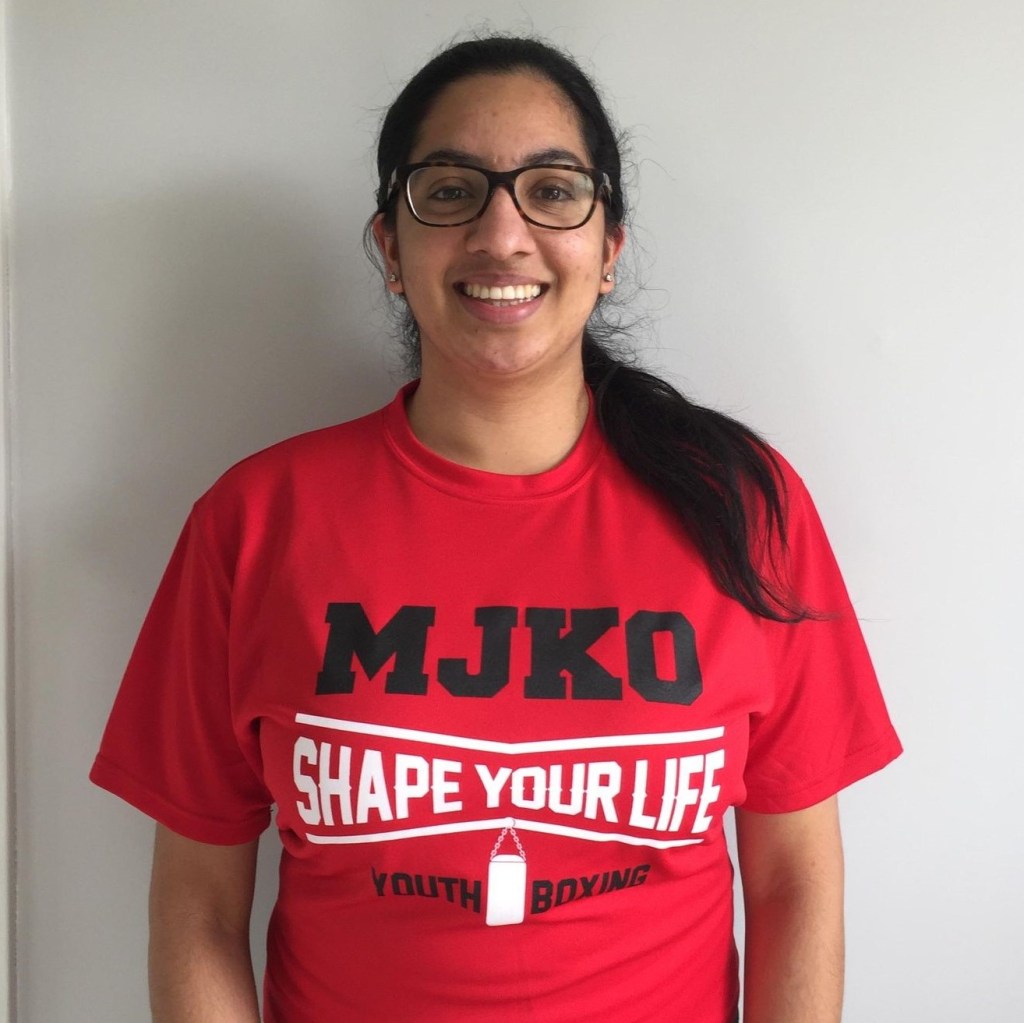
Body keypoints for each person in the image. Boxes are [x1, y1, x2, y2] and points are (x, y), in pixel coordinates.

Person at [91, 35, 901, 1023]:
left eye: (552, 190)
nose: (502, 233)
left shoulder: (744, 509)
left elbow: (793, 886)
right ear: (391, 248)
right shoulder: (255, 523)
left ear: (609, 249)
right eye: (450, 191)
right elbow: (199, 910)